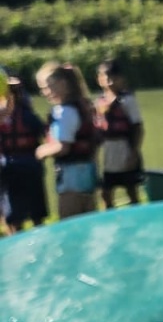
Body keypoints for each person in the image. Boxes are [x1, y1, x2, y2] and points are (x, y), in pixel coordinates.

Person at [34, 61, 98, 219]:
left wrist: (41, 151)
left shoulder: (64, 112)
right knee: (87, 218)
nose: (44, 93)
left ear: (62, 84)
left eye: (47, 87)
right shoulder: (81, 106)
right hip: (87, 170)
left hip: (71, 175)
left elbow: (63, 147)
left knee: (69, 219)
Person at [0, 68, 49, 234]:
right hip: (18, 165)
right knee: (20, 215)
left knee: (22, 215)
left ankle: (25, 237)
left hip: (21, 164)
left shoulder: (27, 115)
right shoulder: (27, 114)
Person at [94, 56, 145, 208]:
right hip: (109, 152)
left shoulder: (127, 100)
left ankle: (137, 216)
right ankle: (111, 217)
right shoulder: (99, 102)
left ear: (121, 79)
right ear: (99, 79)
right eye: (105, 77)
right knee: (106, 192)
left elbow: (138, 127)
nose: (109, 81)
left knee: (131, 189)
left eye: (113, 77)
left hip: (125, 150)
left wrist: (134, 152)